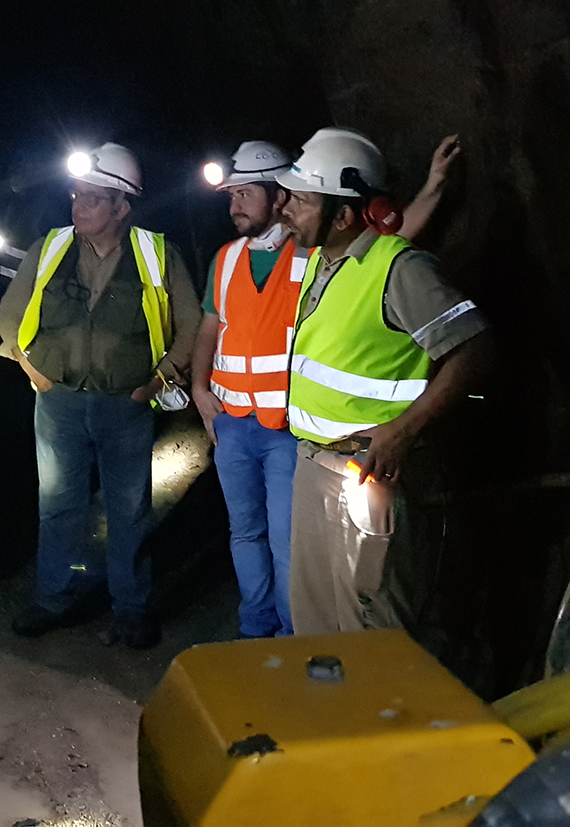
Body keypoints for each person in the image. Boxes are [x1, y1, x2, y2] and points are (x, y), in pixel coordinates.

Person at [190, 136, 462, 640]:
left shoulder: (363, 263)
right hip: (291, 447)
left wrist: (433, 188)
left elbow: (394, 251)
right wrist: (201, 390)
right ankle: (295, 672)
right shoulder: (310, 261)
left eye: (297, 198)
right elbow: (212, 324)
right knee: (305, 592)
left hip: (345, 457)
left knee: (365, 610)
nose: (283, 206)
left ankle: (364, 704)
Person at [276, 127, 491, 635]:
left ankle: (386, 716)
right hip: (312, 462)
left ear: (344, 215)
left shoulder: (402, 271)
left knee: (371, 624)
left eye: (301, 201)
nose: (285, 208)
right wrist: (432, 189)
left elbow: (475, 348)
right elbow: (379, 245)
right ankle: (332, 716)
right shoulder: (324, 263)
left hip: (365, 472)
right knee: (315, 615)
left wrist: (406, 430)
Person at [0, 142, 201, 649]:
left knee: (128, 509)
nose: (78, 206)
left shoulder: (157, 254)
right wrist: (34, 373)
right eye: (76, 195)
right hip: (59, 401)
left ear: (121, 206)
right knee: (57, 506)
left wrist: (159, 381)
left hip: (124, 405)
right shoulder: (49, 248)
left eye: (92, 198)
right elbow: (8, 315)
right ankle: (52, 600)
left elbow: (192, 326)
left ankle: (130, 609)